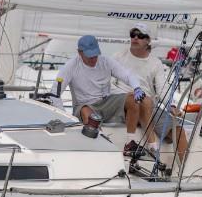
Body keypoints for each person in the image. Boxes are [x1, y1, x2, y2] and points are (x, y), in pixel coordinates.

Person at [51, 35, 154, 154]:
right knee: (86, 112)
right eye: (90, 56)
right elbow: (55, 94)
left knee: (133, 99)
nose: (94, 59)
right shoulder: (70, 66)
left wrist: (137, 88)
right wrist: (65, 118)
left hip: (106, 102)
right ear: (80, 52)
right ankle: (100, 144)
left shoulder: (106, 61)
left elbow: (128, 75)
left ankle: (130, 142)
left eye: (95, 54)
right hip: (84, 105)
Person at [113, 23, 188, 161]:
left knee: (178, 130)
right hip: (124, 103)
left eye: (140, 36)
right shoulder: (118, 57)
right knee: (139, 102)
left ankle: (185, 171)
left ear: (148, 41)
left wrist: (170, 105)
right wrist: (126, 95)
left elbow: (162, 88)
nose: (135, 38)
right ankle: (152, 146)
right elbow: (110, 84)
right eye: (133, 35)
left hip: (147, 106)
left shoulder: (156, 63)